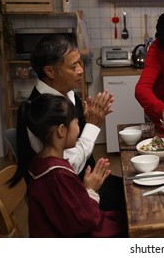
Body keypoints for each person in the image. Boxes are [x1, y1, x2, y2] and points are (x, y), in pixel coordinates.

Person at [10, 34, 125, 212]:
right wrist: (93, 127)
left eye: (80, 63)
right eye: (73, 66)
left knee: (135, 187)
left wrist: (85, 121)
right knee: (135, 203)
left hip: (90, 179)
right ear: (50, 71)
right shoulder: (44, 110)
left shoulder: (66, 92)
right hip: (72, 197)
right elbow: (68, 166)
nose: (80, 70)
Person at [13, 93, 126, 237]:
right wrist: (91, 190)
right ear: (61, 131)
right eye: (77, 124)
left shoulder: (40, 162)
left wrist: (84, 188)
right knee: (126, 223)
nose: (79, 129)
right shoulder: (58, 174)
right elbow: (86, 220)